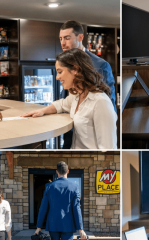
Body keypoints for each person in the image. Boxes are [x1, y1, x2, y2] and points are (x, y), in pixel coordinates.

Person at [21, 48, 117, 149]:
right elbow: (61, 104)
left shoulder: (100, 102)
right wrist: (42, 111)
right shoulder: (76, 96)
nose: (57, 77)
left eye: (60, 72)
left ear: (75, 69)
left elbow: (108, 149)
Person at [59, 20, 116, 149]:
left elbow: (109, 101)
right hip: (69, 129)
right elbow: (65, 99)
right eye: (61, 38)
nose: (63, 43)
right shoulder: (63, 63)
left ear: (80, 37)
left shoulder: (100, 65)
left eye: (67, 38)